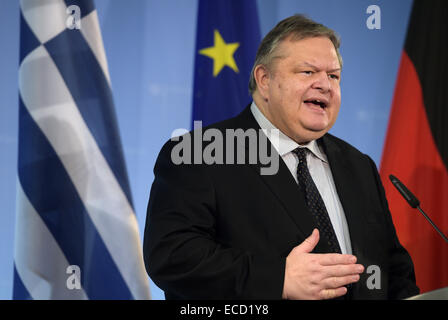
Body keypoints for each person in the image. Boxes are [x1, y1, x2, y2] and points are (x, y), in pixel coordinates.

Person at [143, 14, 419, 300]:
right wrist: (278, 280)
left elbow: (393, 268)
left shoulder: (359, 165)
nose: (325, 85)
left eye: (334, 75)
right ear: (264, 80)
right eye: (308, 72)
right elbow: (172, 256)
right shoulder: (200, 154)